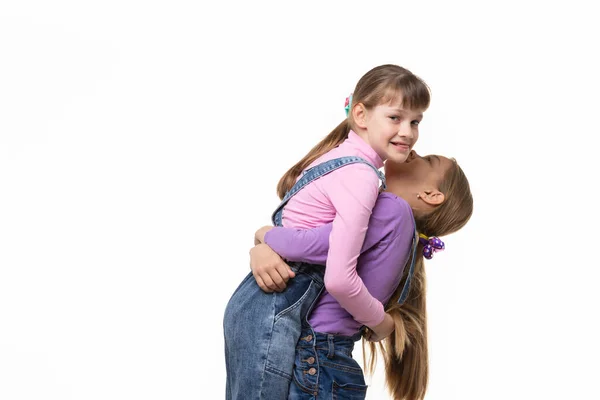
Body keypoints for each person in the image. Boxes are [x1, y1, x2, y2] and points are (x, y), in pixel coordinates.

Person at [223, 64, 430, 400]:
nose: (408, 131)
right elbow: (338, 277)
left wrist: (263, 237)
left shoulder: (337, 157)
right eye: (396, 118)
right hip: (279, 301)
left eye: (416, 121)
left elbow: (303, 238)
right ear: (361, 115)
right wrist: (380, 324)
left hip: (261, 299)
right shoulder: (360, 177)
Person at [250, 150, 473, 399]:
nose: (414, 152)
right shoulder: (404, 231)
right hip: (330, 361)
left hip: (316, 359)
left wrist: (263, 234)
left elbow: (312, 246)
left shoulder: (393, 208)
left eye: (429, 160)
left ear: (431, 195)